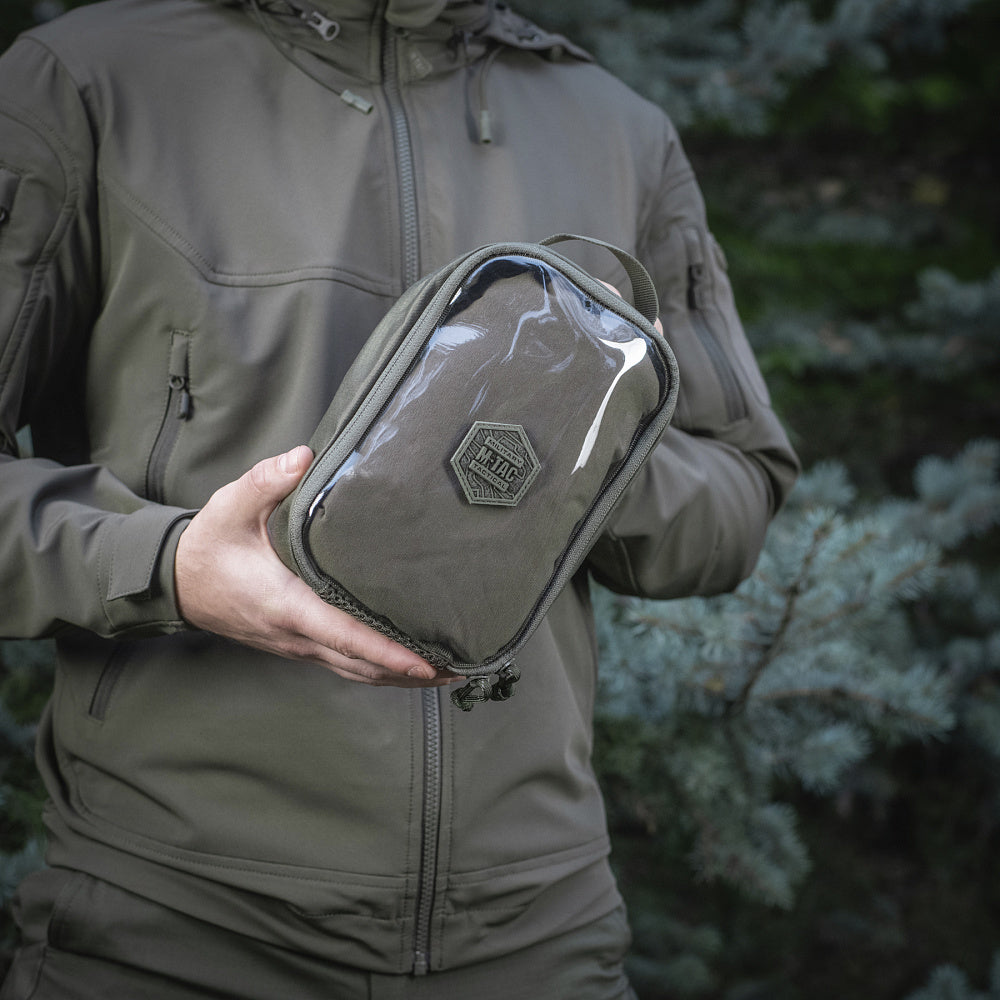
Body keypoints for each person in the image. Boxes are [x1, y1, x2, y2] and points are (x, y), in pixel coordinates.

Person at [0, 0, 799, 996]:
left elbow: (740, 488)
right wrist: (164, 568)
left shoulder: (615, 128)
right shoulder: (90, 82)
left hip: (537, 934)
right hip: (178, 923)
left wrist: (574, 451)